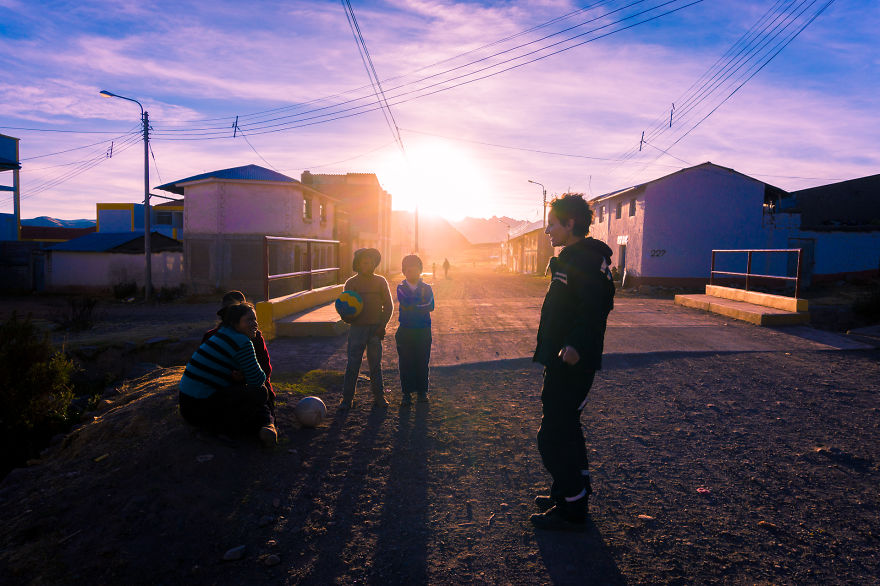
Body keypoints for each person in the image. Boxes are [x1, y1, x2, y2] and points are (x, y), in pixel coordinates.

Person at [529, 193, 615, 532]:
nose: (548, 230)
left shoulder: (584, 260)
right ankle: (569, 493)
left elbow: (595, 307)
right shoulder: (575, 257)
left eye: (553, 224)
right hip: (562, 356)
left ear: (571, 223)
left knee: (552, 434)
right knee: (566, 428)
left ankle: (573, 505)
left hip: (573, 360)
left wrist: (576, 344)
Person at [179, 302, 277, 446]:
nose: (255, 324)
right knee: (261, 393)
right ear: (234, 323)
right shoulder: (242, 341)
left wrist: (243, 375)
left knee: (246, 392)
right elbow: (257, 381)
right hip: (199, 408)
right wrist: (246, 375)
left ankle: (264, 425)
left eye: (255, 319)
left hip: (187, 405)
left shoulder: (222, 334)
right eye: (249, 320)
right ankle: (228, 429)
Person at [202, 291, 275, 414]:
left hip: (253, 386)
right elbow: (207, 370)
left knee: (261, 394)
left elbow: (265, 369)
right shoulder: (211, 336)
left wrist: (246, 375)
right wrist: (231, 376)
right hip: (223, 389)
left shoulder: (254, 337)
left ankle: (268, 422)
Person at [340, 248, 394, 409]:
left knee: (375, 365)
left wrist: (382, 326)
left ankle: (379, 397)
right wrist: (346, 317)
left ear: (374, 263)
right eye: (364, 260)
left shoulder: (380, 282)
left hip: (375, 330)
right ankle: (347, 399)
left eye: (371, 260)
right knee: (353, 364)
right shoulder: (351, 283)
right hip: (357, 330)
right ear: (357, 263)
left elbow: (389, 306)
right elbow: (345, 308)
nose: (368, 263)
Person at [395, 254, 434, 406]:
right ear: (404, 272)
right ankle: (406, 393)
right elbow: (405, 303)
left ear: (420, 271)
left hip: (423, 331)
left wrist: (414, 306)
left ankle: (422, 392)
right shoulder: (401, 288)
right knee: (405, 362)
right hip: (405, 331)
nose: (413, 273)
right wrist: (420, 306)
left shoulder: (427, 288)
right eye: (409, 271)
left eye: (416, 270)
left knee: (422, 361)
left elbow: (431, 306)